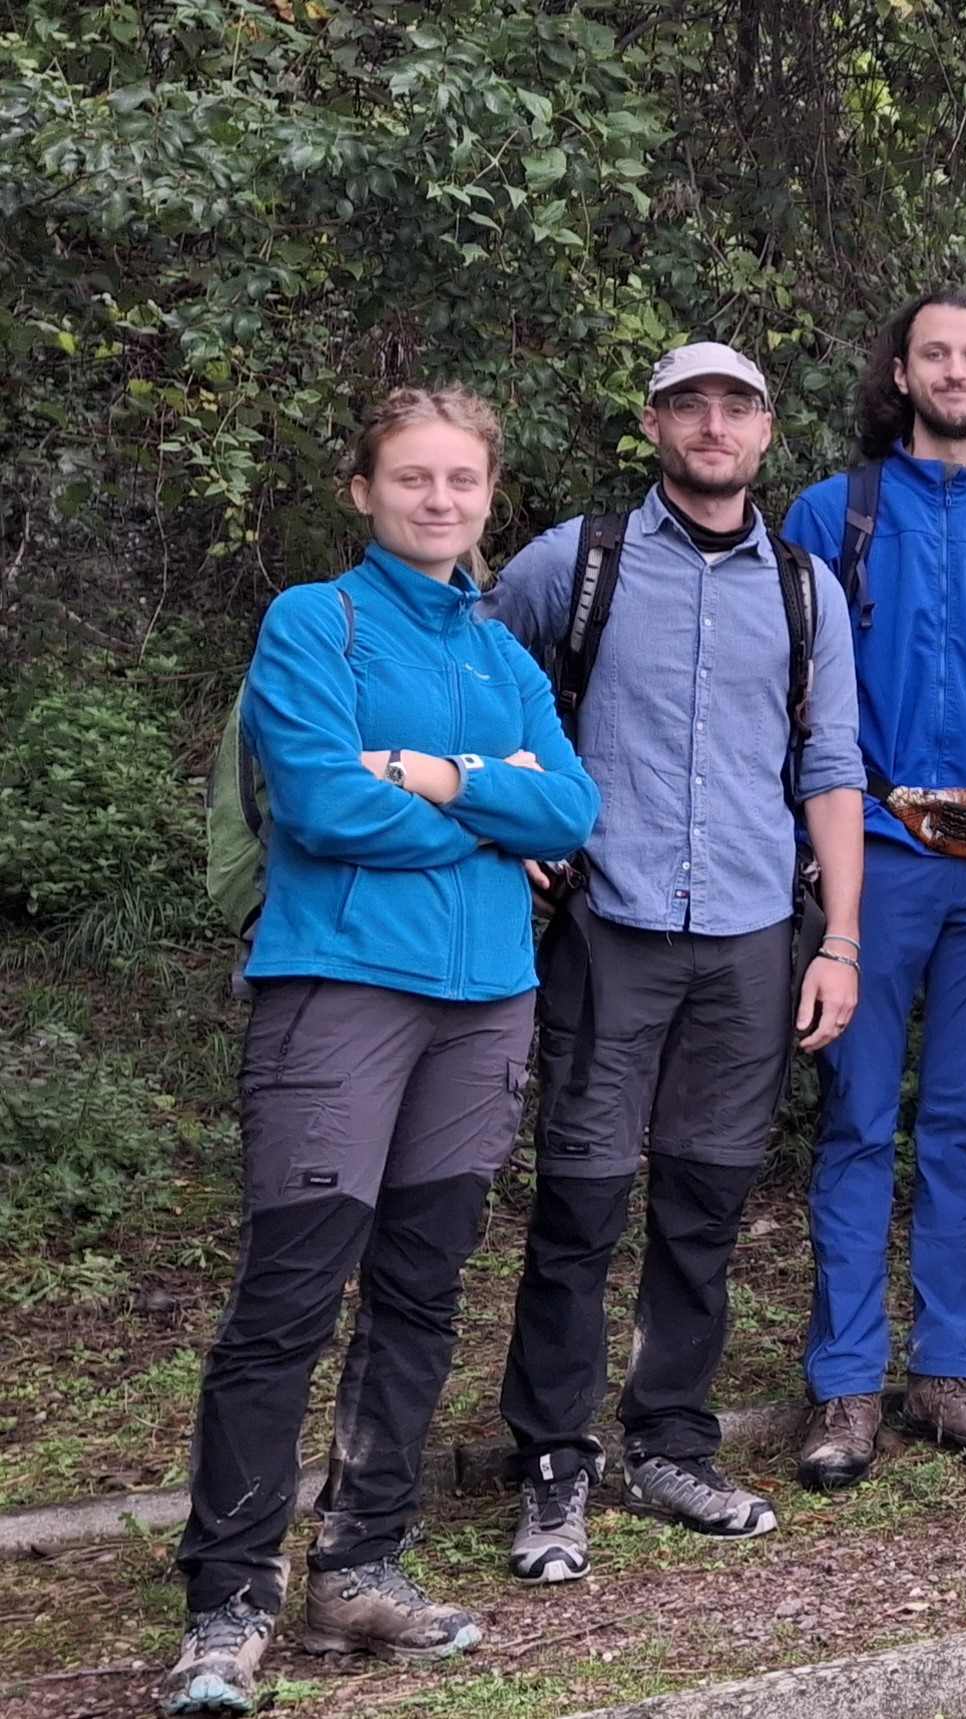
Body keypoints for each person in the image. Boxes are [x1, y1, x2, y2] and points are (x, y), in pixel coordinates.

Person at [162, 388, 599, 1715]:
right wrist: (488, 809)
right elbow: (321, 801)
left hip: (488, 1001)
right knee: (290, 1298)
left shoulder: (504, 649)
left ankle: (360, 1564)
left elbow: (572, 806)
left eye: (463, 479)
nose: (440, 499)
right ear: (363, 489)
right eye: (413, 477)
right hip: (342, 989)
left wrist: (442, 776)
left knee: (418, 1291)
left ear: (487, 493)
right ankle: (227, 1605)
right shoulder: (316, 621)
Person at [480, 341, 865, 1581]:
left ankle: (671, 1446)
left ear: (766, 433)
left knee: (703, 1210)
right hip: (613, 928)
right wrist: (515, 819)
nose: (713, 426)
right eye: (690, 405)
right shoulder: (575, 564)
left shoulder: (807, 591)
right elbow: (475, 683)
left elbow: (830, 771)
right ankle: (553, 1461)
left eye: (735, 408)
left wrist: (840, 942)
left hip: (752, 938)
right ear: (654, 425)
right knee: (579, 1205)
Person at [776, 290, 966, 1489]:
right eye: (935, 353)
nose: (957, 371)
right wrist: (829, 849)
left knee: (961, 1128)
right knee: (856, 1124)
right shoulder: (831, 514)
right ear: (899, 374)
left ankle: (951, 1372)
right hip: (873, 872)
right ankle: (846, 1387)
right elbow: (796, 703)